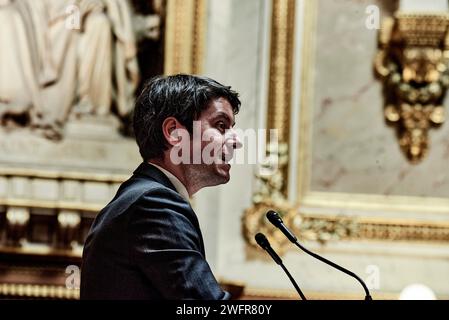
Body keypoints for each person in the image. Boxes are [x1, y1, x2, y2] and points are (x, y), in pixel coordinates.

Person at [81, 74, 242, 299]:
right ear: (174, 133)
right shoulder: (153, 204)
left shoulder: (140, 197)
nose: (236, 141)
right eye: (221, 125)